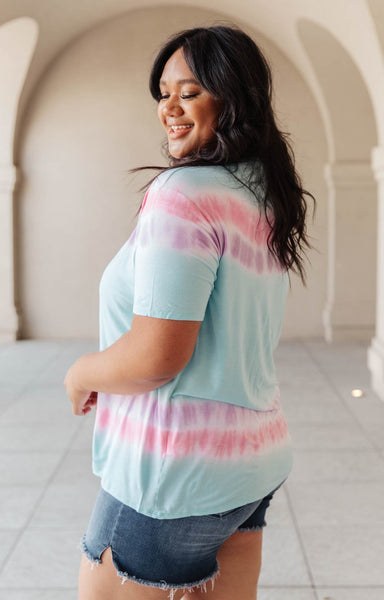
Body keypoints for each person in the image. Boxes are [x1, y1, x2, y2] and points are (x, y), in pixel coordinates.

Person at [64, 24, 316, 600]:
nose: (169, 108)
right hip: (251, 463)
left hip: (172, 476)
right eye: (163, 92)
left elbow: (157, 356)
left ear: (233, 98)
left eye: (191, 91)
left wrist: (80, 372)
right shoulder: (262, 192)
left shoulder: (183, 195)